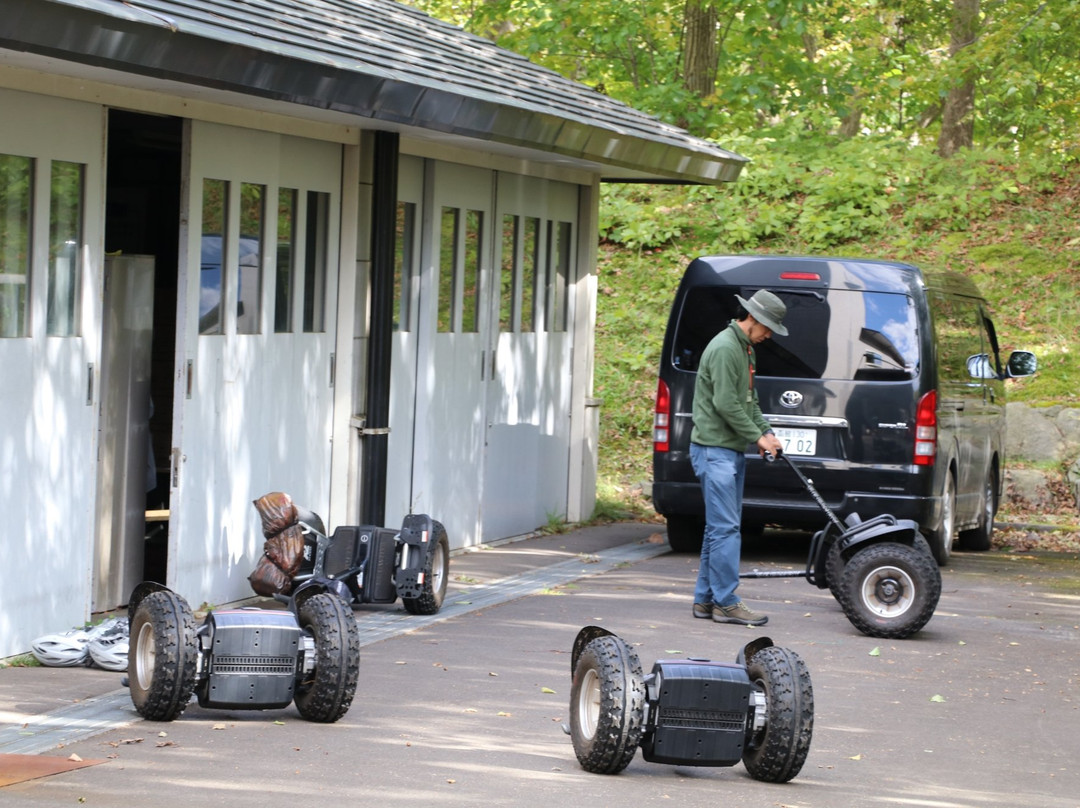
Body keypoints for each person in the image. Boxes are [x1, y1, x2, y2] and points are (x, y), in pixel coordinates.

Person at [690, 289, 788, 626]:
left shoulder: (745, 349)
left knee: (717, 530)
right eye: (768, 327)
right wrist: (756, 437)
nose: (769, 335)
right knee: (726, 530)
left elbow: (749, 400)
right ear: (753, 318)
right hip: (713, 450)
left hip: (729, 450)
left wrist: (766, 432)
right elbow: (725, 404)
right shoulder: (724, 348)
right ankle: (726, 602)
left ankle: (705, 599)